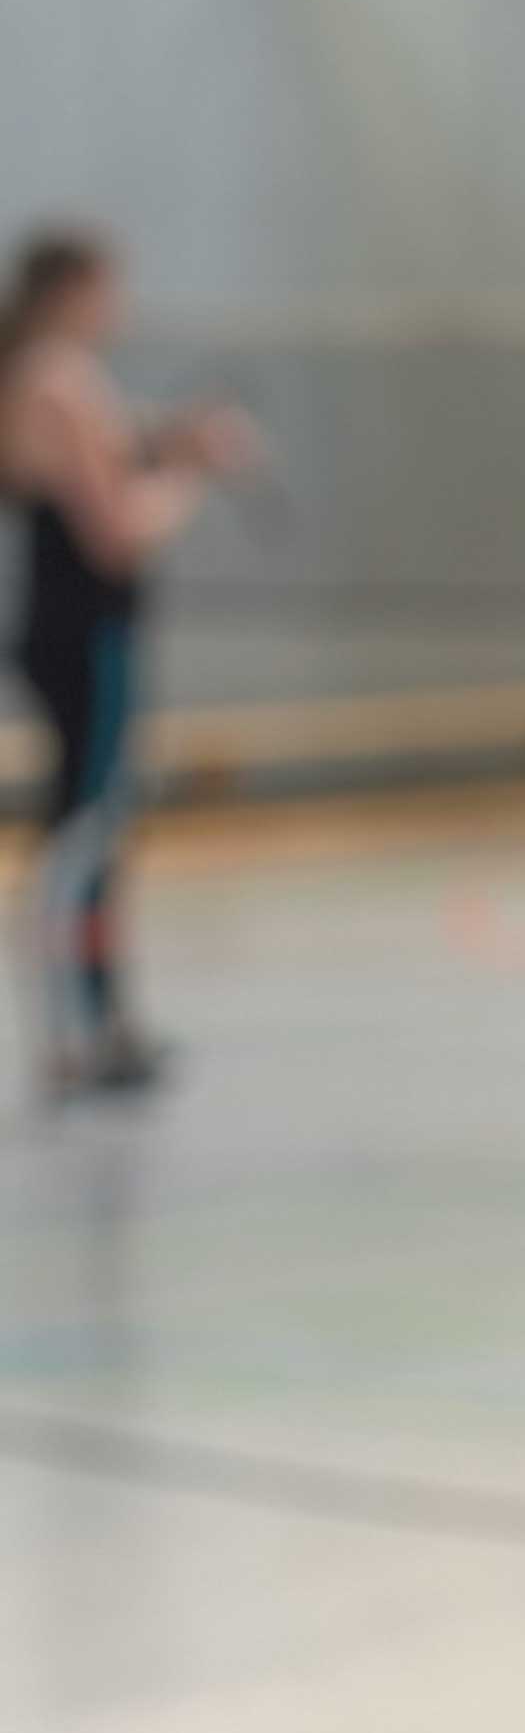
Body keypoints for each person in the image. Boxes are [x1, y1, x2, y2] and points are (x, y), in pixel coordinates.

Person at [0, 229, 258, 1099]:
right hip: (87, 631)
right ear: (72, 290)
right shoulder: (60, 379)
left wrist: (169, 441)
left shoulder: (42, 375)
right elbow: (116, 533)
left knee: (93, 832)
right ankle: (75, 1032)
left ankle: (99, 1022)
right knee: (83, 835)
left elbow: (109, 453)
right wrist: (191, 477)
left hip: (64, 629)